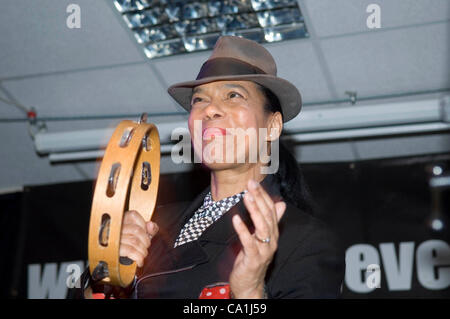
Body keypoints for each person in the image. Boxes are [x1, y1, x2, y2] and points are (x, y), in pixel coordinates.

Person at [72, 35, 345, 299]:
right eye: (199, 100)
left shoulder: (304, 240)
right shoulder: (152, 224)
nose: (210, 110)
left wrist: (249, 293)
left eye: (233, 95)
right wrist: (107, 273)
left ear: (272, 126)